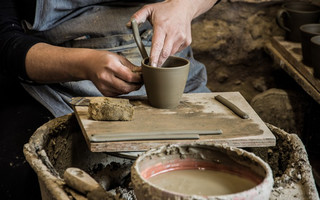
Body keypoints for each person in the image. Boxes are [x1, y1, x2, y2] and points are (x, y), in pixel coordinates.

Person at [0, 0, 220, 117]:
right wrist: (84, 64)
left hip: (170, 60)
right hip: (57, 73)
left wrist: (185, 5)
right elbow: (5, 41)